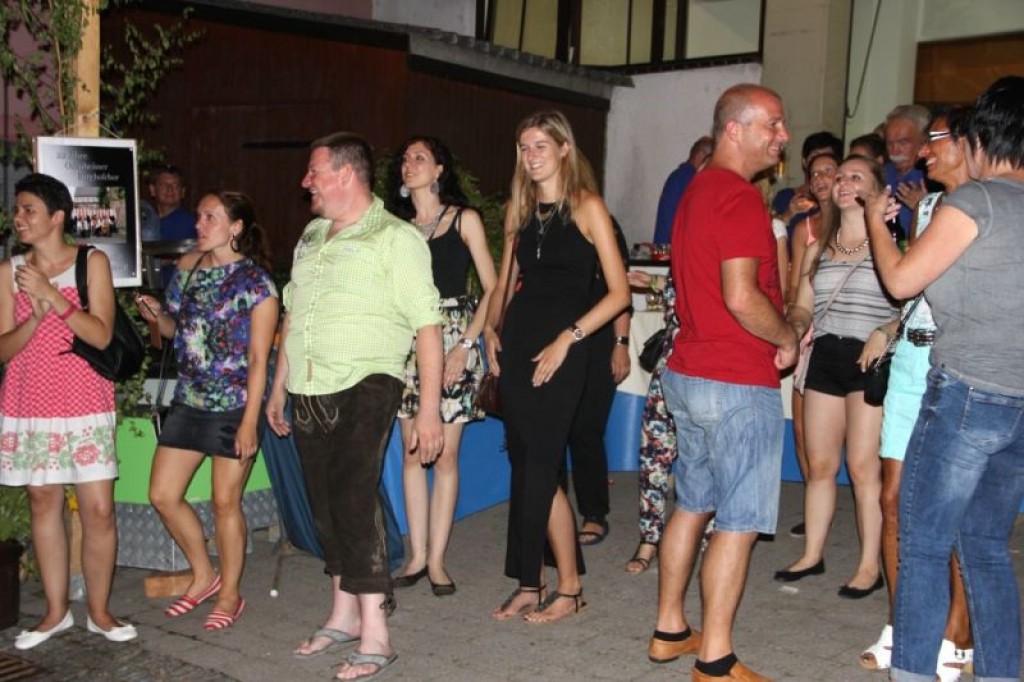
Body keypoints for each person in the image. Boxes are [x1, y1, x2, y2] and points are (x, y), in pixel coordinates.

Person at [266, 132, 443, 681]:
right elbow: (293, 313)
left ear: (345, 174)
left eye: (314, 171)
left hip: (368, 380)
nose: (306, 182)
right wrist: (279, 386)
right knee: (325, 506)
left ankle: (376, 636)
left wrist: (430, 410)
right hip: (308, 384)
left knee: (353, 498)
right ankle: (342, 615)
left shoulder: (395, 237)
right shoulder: (312, 235)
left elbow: (428, 325)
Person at [864, 76, 1024, 682]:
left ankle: (910, 672)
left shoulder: (975, 202)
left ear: (981, 137)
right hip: (1019, 402)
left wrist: (877, 224)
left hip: (966, 393)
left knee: (924, 544)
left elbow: (901, 281)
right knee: (987, 548)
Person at [650, 84, 796, 682]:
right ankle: (715, 660)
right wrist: (787, 335)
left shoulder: (697, 190)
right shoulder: (737, 197)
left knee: (692, 505)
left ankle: (669, 630)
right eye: (773, 124)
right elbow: (741, 297)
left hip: (689, 373)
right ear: (734, 129)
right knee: (738, 521)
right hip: (735, 378)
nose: (783, 136)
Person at [484, 110, 629, 624]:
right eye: (524, 147)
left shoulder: (588, 207)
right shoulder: (519, 210)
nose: (532, 155)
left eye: (541, 145)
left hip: (566, 348)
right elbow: (503, 284)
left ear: (565, 148)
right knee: (528, 467)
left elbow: (619, 293)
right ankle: (532, 582)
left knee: (543, 465)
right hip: (520, 343)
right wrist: (490, 330)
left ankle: (569, 588)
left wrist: (570, 338)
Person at [859, 110, 973, 681]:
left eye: (934, 142)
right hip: (910, 360)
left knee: (949, 505)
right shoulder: (927, 207)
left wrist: (877, 228)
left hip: (955, 362)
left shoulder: (985, 209)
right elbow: (911, 293)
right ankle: (904, 624)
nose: (924, 154)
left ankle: (957, 632)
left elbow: (906, 276)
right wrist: (889, 328)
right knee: (892, 499)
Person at [0, 173, 137, 648]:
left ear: (57, 217)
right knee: (44, 502)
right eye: (18, 209)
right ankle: (56, 612)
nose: (19, 218)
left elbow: (100, 334)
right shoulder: (9, 271)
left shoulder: (90, 261)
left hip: (84, 399)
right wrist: (33, 318)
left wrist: (52, 296)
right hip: (30, 400)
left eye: (29, 210)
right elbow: (3, 348)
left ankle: (99, 612)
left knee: (98, 509)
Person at [136, 191, 278, 631]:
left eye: (210, 217)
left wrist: (250, 421)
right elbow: (174, 331)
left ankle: (231, 593)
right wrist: (155, 316)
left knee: (224, 502)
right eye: (199, 216)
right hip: (190, 399)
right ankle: (203, 575)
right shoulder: (188, 268)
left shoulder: (257, 283)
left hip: (235, 405)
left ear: (235, 227)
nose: (199, 224)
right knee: (162, 494)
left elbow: (259, 359)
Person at [775, 155, 899, 598]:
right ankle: (812, 554)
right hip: (825, 357)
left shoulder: (891, 246)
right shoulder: (818, 248)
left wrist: (886, 331)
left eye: (856, 177)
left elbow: (913, 307)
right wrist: (791, 331)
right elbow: (802, 308)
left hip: (869, 362)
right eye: (841, 177)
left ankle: (870, 566)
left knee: (863, 468)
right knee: (821, 465)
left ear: (878, 190)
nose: (844, 183)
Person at [385, 136, 497, 595]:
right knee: (412, 450)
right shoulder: (395, 227)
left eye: (420, 158)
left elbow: (493, 288)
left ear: (438, 170)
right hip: (406, 341)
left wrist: (467, 344)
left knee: (446, 455)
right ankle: (416, 555)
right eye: (405, 158)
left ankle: (437, 560)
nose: (409, 164)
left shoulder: (464, 219)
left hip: (453, 338)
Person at [566, 217, 631, 547]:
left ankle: (594, 511)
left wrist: (621, 344)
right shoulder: (540, 221)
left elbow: (619, 291)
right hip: (550, 333)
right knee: (552, 431)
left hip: (598, 338)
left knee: (586, 428)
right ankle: (552, 511)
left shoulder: (603, 222)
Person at [784, 151, 839, 539]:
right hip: (808, 331)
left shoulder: (864, 221)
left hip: (850, 333)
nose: (820, 178)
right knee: (802, 430)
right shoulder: (805, 227)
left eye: (828, 171)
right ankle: (814, 505)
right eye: (814, 173)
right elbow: (794, 288)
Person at [623, 271, 678, 573]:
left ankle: (711, 538)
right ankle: (649, 539)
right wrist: (656, 283)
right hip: (671, 363)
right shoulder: (685, 245)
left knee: (710, 462)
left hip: (714, 364)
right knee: (654, 457)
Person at [652, 136, 713, 244]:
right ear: (700, 156)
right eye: (710, 161)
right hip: (674, 249)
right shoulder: (690, 181)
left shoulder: (677, 177)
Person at [883, 105, 932, 233]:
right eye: (889, 143)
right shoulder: (881, 175)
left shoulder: (934, 179)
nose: (894, 151)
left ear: (924, 141)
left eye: (903, 143)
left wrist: (925, 209)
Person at [149, 165, 197, 241]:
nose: (170, 189)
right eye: (164, 185)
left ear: (183, 192)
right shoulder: (145, 220)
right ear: (153, 190)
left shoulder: (188, 224)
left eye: (175, 186)